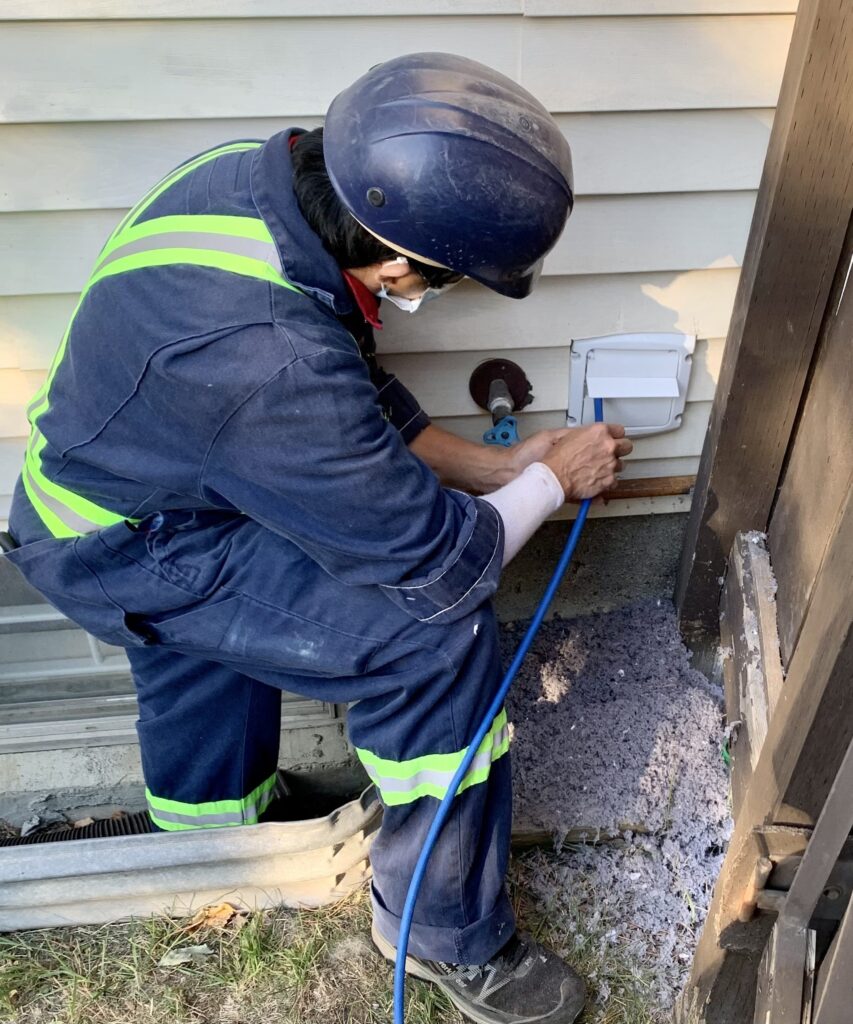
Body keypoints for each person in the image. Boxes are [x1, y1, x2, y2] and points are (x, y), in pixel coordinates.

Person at [6, 52, 631, 1024]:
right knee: (436, 644)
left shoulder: (251, 184)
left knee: (210, 655)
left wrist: (498, 466)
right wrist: (554, 480)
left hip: (109, 491)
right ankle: (441, 933)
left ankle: (211, 844)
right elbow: (443, 567)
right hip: (132, 547)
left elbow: (345, 381)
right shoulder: (271, 365)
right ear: (396, 266)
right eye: (451, 281)